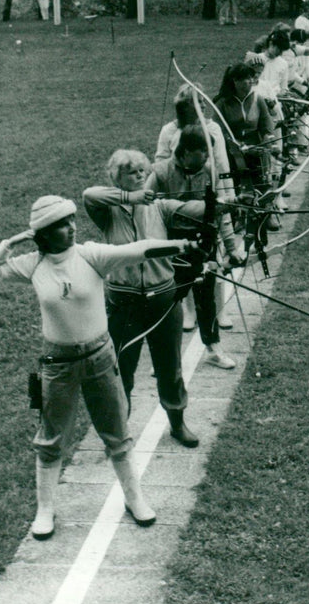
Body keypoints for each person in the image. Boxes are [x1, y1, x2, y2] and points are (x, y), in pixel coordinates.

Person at [0, 195, 195, 539]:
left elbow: (139, 249)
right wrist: (11, 242)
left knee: (117, 435)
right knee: (50, 441)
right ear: (44, 235)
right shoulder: (32, 264)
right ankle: (45, 510)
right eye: (62, 225)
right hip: (58, 364)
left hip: (99, 358)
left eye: (72, 220)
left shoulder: (90, 255)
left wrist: (182, 245)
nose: (72, 228)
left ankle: (134, 499)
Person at [84, 148, 220, 445]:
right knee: (122, 370)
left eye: (143, 171)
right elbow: (89, 194)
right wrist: (130, 198)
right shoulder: (106, 211)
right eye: (132, 172)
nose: (141, 176)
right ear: (117, 178)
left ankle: (177, 421)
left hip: (163, 299)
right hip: (123, 303)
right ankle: (120, 430)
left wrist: (225, 203)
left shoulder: (158, 206)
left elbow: (196, 210)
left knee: (170, 367)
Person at [145, 129, 241, 368]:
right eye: (202, 155)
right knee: (168, 297)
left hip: (205, 241)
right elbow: (144, 209)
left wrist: (231, 247)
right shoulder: (160, 172)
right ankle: (164, 355)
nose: (206, 161)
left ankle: (213, 348)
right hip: (172, 243)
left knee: (206, 296)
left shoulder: (209, 171)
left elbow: (220, 213)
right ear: (186, 152)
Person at [154, 84, 239, 331]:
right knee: (181, 270)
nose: (204, 106)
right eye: (198, 103)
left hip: (210, 195)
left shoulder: (212, 129)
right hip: (178, 205)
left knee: (215, 257)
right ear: (186, 107)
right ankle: (189, 313)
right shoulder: (169, 131)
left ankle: (218, 311)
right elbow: (160, 163)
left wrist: (229, 199)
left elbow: (222, 166)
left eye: (203, 102)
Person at [214, 61, 278, 227]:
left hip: (256, 147)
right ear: (235, 81)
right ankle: (239, 216)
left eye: (251, 79)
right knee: (236, 183)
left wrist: (266, 142)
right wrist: (237, 146)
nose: (250, 82)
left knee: (263, 179)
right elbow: (219, 131)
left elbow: (267, 125)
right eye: (245, 79)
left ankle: (266, 213)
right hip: (232, 150)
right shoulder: (222, 102)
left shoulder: (258, 99)